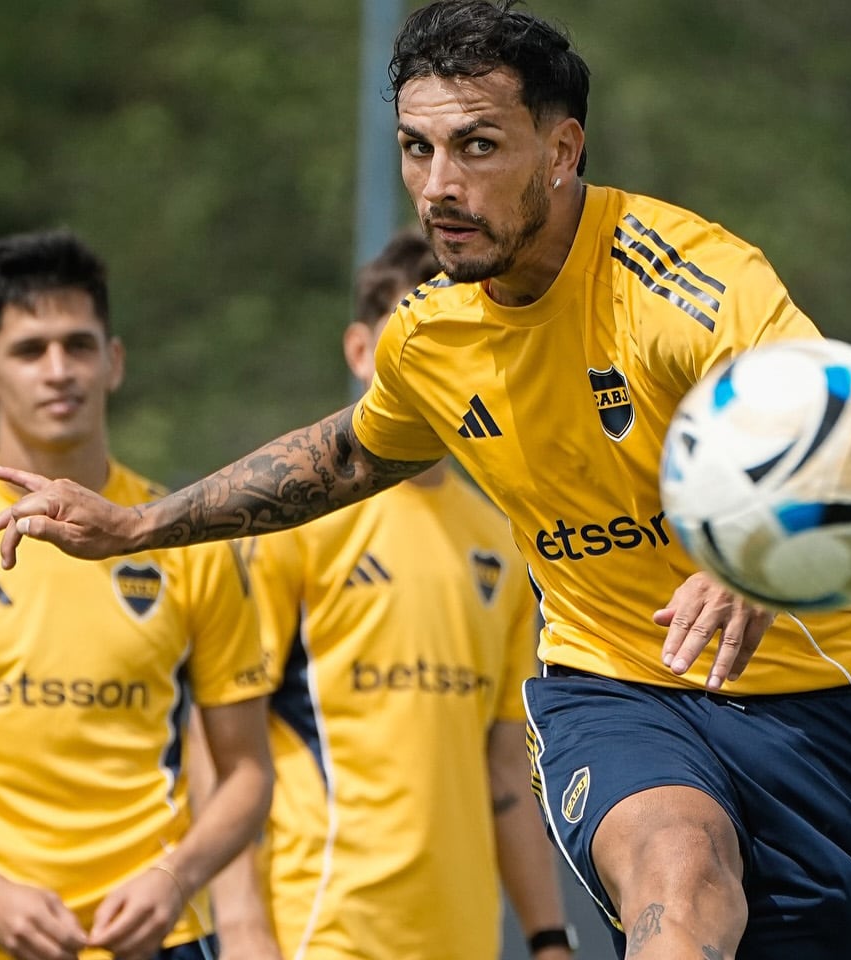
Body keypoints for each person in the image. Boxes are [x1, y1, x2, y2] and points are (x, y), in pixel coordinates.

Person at [0, 3, 851, 958]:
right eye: (416, 150)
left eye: (476, 146)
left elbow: (849, 419)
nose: (439, 186)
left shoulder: (685, 280)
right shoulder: (431, 334)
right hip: (613, 686)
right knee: (677, 865)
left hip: (813, 703)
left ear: (562, 150)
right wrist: (135, 526)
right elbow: (345, 455)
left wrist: (747, 553)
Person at [0, 228, 276, 960]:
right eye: (30, 350)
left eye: (79, 345)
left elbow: (249, 772)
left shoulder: (182, 538)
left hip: (161, 936)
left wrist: (175, 877)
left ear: (115, 361)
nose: (58, 370)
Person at [203, 227, 575, 960]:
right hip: (323, 930)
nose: (436, 358)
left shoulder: (504, 535)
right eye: (413, 334)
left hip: (463, 938)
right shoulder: (297, 524)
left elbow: (503, 767)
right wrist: (241, 925)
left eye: (457, 334)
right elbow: (217, 744)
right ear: (358, 351)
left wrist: (548, 938)